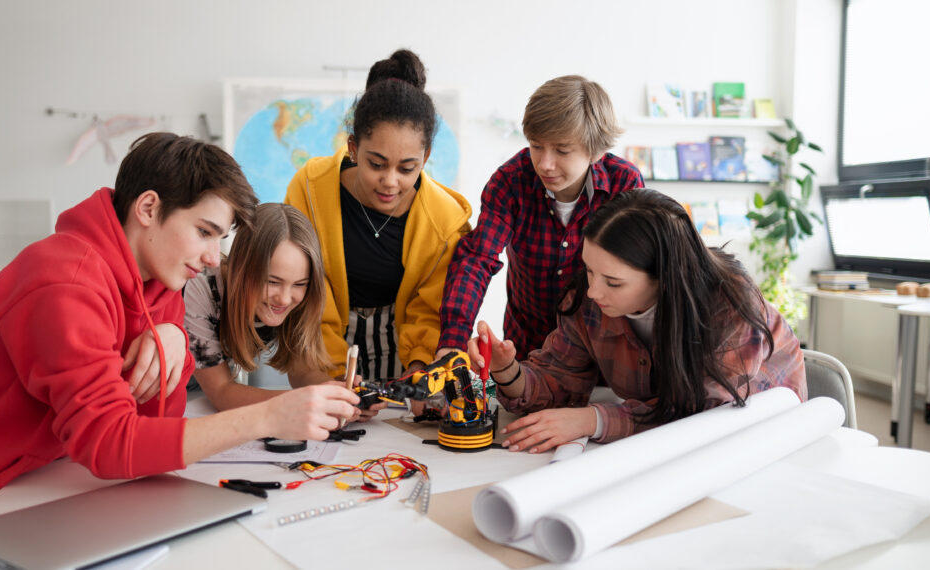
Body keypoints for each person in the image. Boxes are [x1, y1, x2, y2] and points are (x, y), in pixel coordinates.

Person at [0, 133, 359, 568]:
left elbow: (161, 417)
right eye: (204, 232)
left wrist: (173, 336)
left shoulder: (160, 280)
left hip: (25, 499)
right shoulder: (63, 281)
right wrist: (268, 417)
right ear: (149, 208)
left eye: (218, 239)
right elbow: (111, 444)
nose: (209, 258)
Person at [468, 189, 807, 453]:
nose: (593, 292)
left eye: (613, 282)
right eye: (588, 270)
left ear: (666, 277)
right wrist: (506, 370)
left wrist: (595, 419)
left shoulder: (729, 303)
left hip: (765, 444)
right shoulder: (589, 298)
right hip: (663, 454)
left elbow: (705, 417)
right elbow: (558, 380)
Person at [285, 49, 471, 381]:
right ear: (353, 148)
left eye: (407, 168)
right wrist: (335, 377)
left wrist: (418, 372)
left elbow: (428, 311)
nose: (390, 181)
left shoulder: (445, 222)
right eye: (376, 164)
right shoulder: (310, 191)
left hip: (403, 354)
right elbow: (310, 293)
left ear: (425, 157)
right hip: (319, 349)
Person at [438, 75, 644, 362]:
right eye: (536, 146)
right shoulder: (510, 182)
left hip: (603, 354)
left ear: (596, 150)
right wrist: (453, 340)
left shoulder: (624, 183)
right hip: (527, 352)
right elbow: (477, 259)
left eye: (562, 150)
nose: (545, 164)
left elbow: (640, 273)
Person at [183, 202, 382, 420]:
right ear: (242, 268)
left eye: (299, 284)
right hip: (175, 398)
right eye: (272, 282)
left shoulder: (304, 298)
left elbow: (302, 371)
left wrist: (335, 393)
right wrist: (307, 402)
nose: (285, 298)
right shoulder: (201, 287)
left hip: (205, 403)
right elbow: (221, 392)